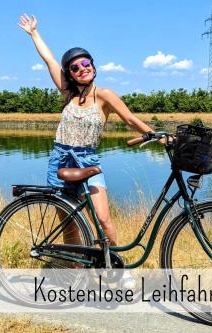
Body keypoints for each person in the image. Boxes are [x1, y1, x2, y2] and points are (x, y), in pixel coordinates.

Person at [18, 14, 155, 247]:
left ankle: (115, 264)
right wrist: (34, 33)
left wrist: (158, 136)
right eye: (75, 67)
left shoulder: (104, 95)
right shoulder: (68, 93)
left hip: (87, 160)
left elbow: (130, 119)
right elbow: (50, 60)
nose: (82, 69)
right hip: (60, 159)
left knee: (102, 219)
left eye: (86, 64)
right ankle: (75, 269)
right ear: (70, 74)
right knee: (67, 220)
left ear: (93, 66)